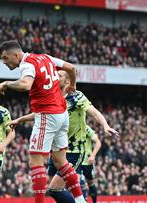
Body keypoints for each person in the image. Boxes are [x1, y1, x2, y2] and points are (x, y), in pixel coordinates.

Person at [0, 40, 86, 203]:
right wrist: (72, 85)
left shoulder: (27, 64)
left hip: (47, 115)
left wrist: (6, 84)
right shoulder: (45, 57)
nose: (4, 62)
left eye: (5, 58)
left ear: (16, 55)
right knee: (61, 161)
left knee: (36, 161)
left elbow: (25, 84)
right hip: (62, 113)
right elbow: (72, 68)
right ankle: (80, 201)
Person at [45, 70, 118, 203]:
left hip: (74, 150)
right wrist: (21, 120)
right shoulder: (53, 97)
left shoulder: (76, 96)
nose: (55, 76)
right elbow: (41, 114)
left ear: (67, 81)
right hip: (56, 150)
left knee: (56, 188)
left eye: (59, 75)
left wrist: (105, 125)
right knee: (54, 190)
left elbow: (94, 112)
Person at [79, 125, 101, 203]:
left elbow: (98, 143)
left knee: (90, 182)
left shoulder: (86, 128)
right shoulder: (70, 126)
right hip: (76, 160)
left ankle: (94, 202)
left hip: (87, 161)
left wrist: (93, 155)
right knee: (79, 181)